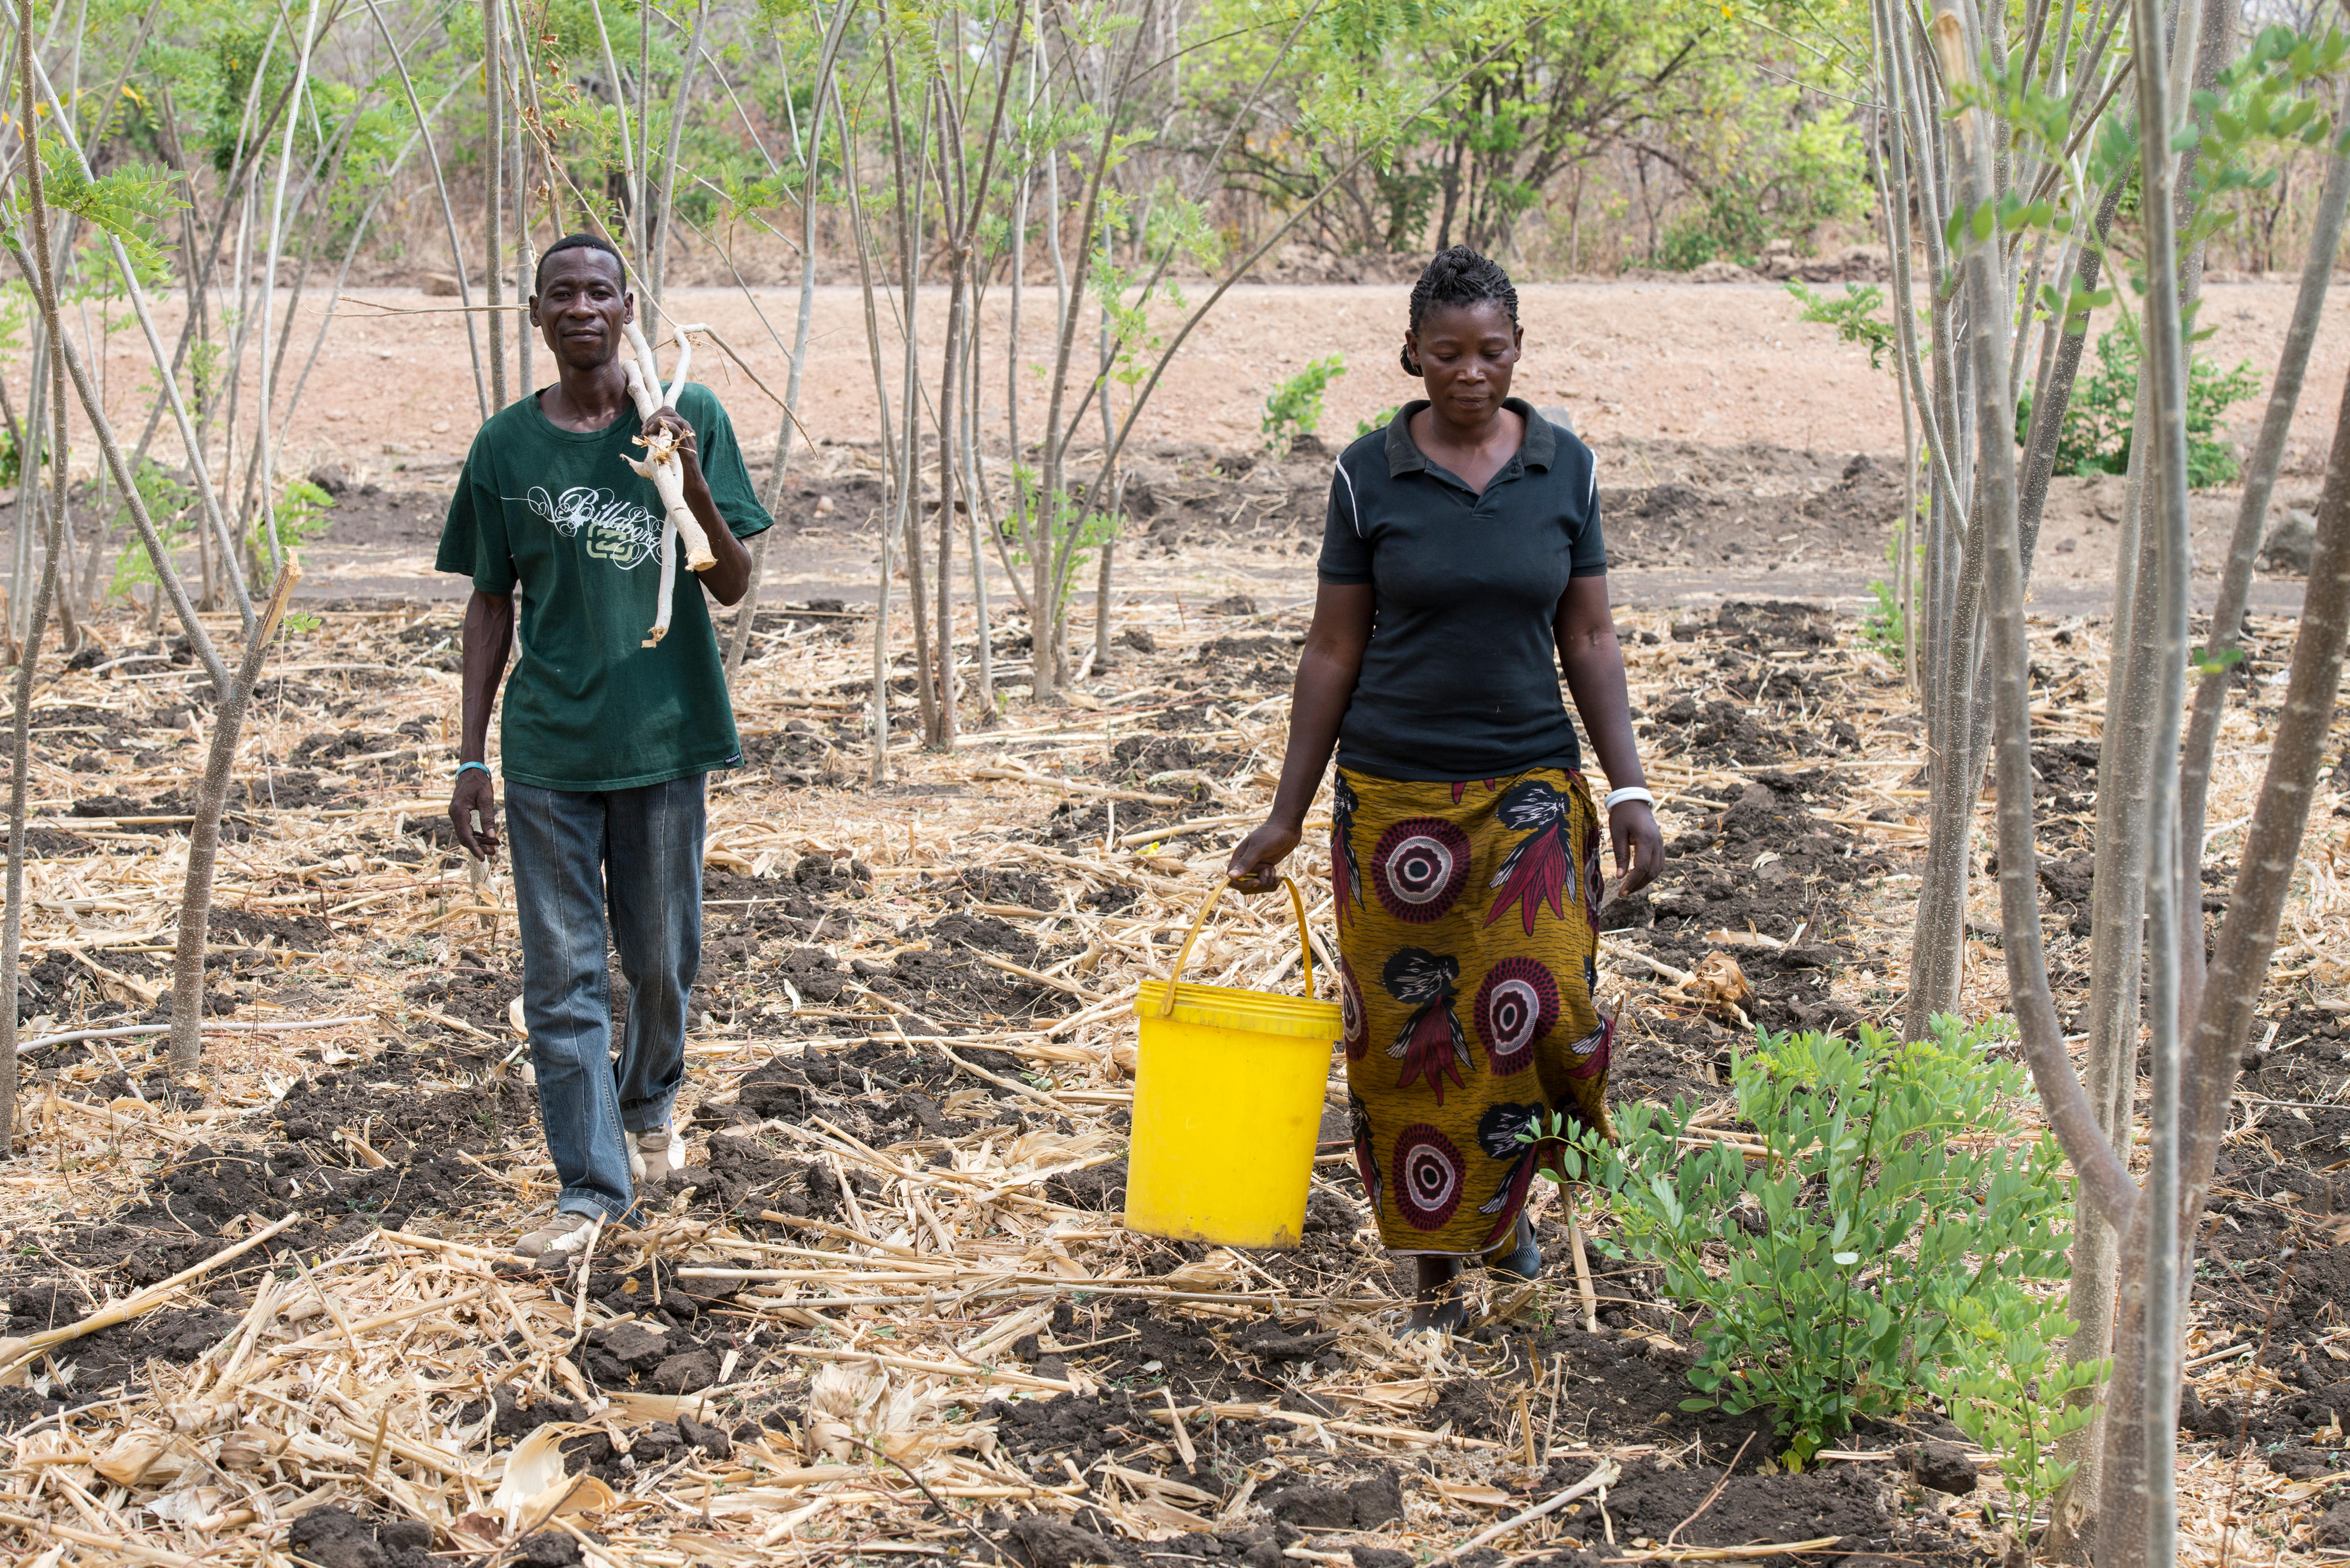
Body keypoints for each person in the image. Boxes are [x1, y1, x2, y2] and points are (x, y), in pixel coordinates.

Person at [1227, 245, 1662, 1332]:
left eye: (1493, 350)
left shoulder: (1567, 469)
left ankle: (1510, 1207)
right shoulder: (1367, 476)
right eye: (1449, 351)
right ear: (1412, 354)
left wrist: (1631, 789)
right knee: (1414, 1047)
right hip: (1392, 803)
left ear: (1519, 352)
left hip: (1528, 790)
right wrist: (1287, 812)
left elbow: (1593, 635)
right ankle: (1436, 1278)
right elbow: (1332, 649)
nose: (1472, 371)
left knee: (1546, 1006)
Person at [437, 232, 772, 1267]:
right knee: (564, 976)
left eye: (599, 291)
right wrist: (470, 755)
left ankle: (650, 1099)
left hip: (665, 740)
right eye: (560, 294)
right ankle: (591, 1187)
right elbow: (491, 603)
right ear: (536, 315)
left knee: (663, 959)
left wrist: (682, 477)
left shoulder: (691, 414)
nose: (581, 307)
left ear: (628, 307)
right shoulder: (506, 448)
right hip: (548, 751)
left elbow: (732, 583)